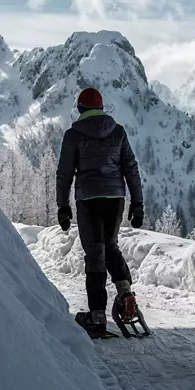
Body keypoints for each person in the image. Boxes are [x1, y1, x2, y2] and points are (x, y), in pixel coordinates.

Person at [56, 87, 145, 338]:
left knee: (95, 254)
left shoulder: (73, 135)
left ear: (80, 108)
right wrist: (138, 203)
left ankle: (97, 317)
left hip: (88, 199)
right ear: (102, 107)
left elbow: (64, 173)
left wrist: (62, 206)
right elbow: (131, 168)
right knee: (111, 246)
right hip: (115, 198)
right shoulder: (118, 132)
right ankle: (125, 294)